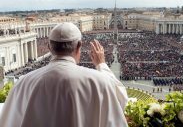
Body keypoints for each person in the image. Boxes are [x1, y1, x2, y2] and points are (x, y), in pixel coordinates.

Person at [0, 22, 128, 127]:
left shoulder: (23, 83)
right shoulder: (99, 81)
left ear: (49, 47)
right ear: (79, 46)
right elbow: (120, 99)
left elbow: (8, 121)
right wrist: (101, 65)